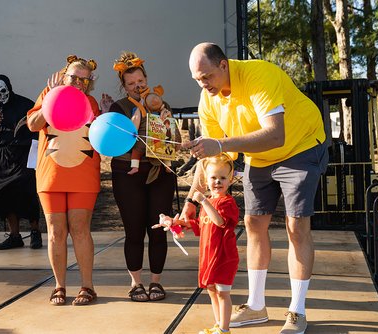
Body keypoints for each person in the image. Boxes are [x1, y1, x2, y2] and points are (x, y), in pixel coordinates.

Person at [182, 43, 328, 333]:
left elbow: (275, 134)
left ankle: (297, 312)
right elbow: (212, 159)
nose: (203, 84)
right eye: (197, 79)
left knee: (296, 226)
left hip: (300, 147)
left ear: (224, 65)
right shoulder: (207, 98)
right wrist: (191, 201)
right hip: (259, 156)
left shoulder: (260, 75)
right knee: (253, 223)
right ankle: (256, 306)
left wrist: (222, 143)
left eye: (207, 76)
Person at [100, 51, 181, 302]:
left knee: (158, 229)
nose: (138, 87)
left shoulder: (161, 103)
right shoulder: (119, 108)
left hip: (159, 172)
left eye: (141, 82)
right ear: (124, 86)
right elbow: (111, 143)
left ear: (147, 80)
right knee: (134, 231)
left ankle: (156, 282)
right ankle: (136, 283)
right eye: (131, 84)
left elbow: (174, 141)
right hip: (128, 174)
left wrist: (169, 129)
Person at [27, 55, 101, 306]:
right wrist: (51, 96)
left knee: (80, 229)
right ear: (64, 75)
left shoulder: (91, 102)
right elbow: (32, 124)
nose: (79, 83)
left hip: (83, 174)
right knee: (56, 232)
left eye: (84, 80)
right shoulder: (48, 93)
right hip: (51, 175)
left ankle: (87, 287)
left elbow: (101, 135)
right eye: (74, 78)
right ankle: (59, 286)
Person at [155, 154, 239, 334]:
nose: (218, 182)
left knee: (223, 292)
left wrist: (202, 201)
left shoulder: (227, 202)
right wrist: (175, 223)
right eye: (213, 178)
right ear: (206, 180)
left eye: (222, 178)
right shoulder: (208, 203)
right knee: (211, 290)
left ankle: (224, 329)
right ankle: (218, 324)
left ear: (230, 180)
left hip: (223, 256)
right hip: (208, 256)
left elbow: (219, 222)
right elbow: (200, 226)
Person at [0, 74, 42, 250]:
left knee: (27, 192)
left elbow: (36, 129)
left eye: (3, 91)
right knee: (4, 194)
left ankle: (35, 232)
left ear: (9, 89)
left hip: (23, 156)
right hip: (3, 158)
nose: (0, 95)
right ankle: (14, 235)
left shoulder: (25, 106)